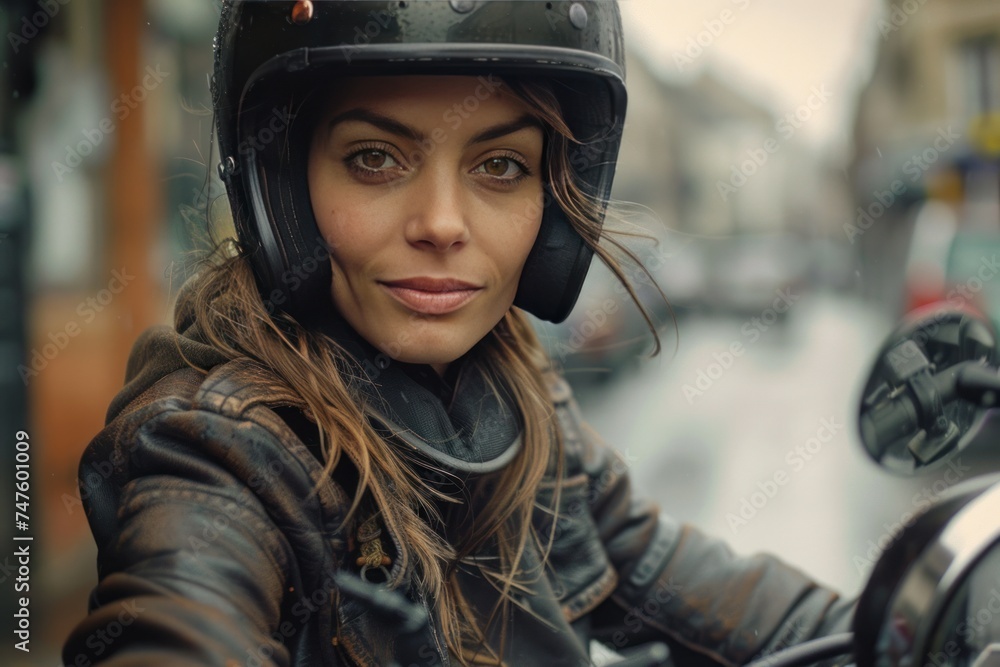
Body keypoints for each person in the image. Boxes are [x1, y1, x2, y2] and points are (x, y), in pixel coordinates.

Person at [62, 1, 854, 665]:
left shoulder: (519, 404)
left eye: (500, 166)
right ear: (285, 189)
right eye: (374, 158)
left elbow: (686, 580)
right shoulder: (224, 450)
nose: (441, 224)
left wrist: (919, 613)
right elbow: (184, 604)